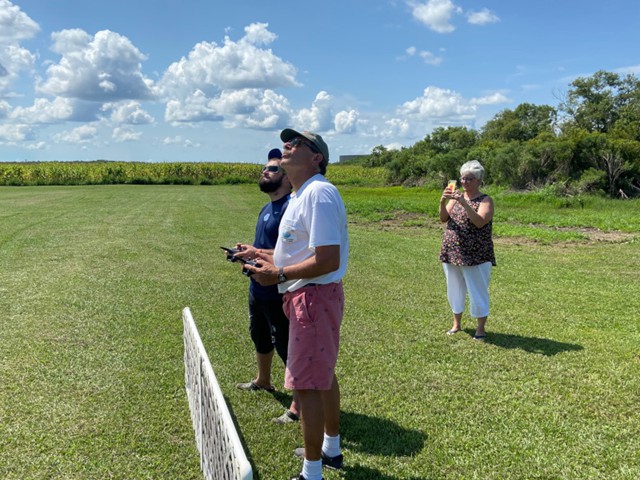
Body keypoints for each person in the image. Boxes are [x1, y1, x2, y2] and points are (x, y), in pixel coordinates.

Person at [246, 129, 348, 480]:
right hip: (308, 296)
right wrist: (258, 254)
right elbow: (296, 251)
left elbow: (328, 258)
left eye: (296, 144)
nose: (286, 147)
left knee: (307, 384)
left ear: (316, 158)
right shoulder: (302, 195)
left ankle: (312, 472)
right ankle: (331, 450)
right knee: (321, 376)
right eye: (286, 143)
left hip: (312, 297)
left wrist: (278, 274)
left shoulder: (319, 193)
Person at [231, 148, 300, 424]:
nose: (265, 171)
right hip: (257, 287)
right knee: (259, 334)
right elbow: (264, 248)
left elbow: (290, 254)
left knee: (286, 345)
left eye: (272, 169)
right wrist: (248, 255)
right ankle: (263, 380)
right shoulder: (267, 208)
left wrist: (258, 254)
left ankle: (298, 404)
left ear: (287, 177)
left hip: (278, 290)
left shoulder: (291, 209)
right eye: (265, 167)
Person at [439, 160, 496, 341]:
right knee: (454, 288)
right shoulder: (455, 198)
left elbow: (480, 222)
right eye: (463, 178)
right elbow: (443, 218)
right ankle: (456, 324)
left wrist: (464, 203)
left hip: (476, 254)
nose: (464, 182)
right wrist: (443, 201)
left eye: (469, 179)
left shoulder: (485, 200)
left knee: (477, 290)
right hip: (452, 251)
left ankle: (480, 329)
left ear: (478, 181)